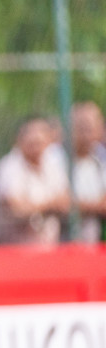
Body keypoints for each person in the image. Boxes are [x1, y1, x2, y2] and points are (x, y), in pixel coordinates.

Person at [0, 116, 71, 245]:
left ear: (49, 140)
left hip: (50, 247)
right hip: (14, 250)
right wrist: (50, 206)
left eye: (41, 134)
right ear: (18, 139)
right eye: (31, 135)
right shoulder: (8, 166)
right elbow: (17, 209)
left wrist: (36, 208)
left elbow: (66, 203)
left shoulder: (54, 164)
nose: (36, 139)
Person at [70, 102, 106, 244]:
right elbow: (59, 202)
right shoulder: (54, 158)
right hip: (58, 245)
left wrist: (76, 205)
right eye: (81, 128)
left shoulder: (100, 159)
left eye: (90, 128)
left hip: (92, 242)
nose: (86, 135)